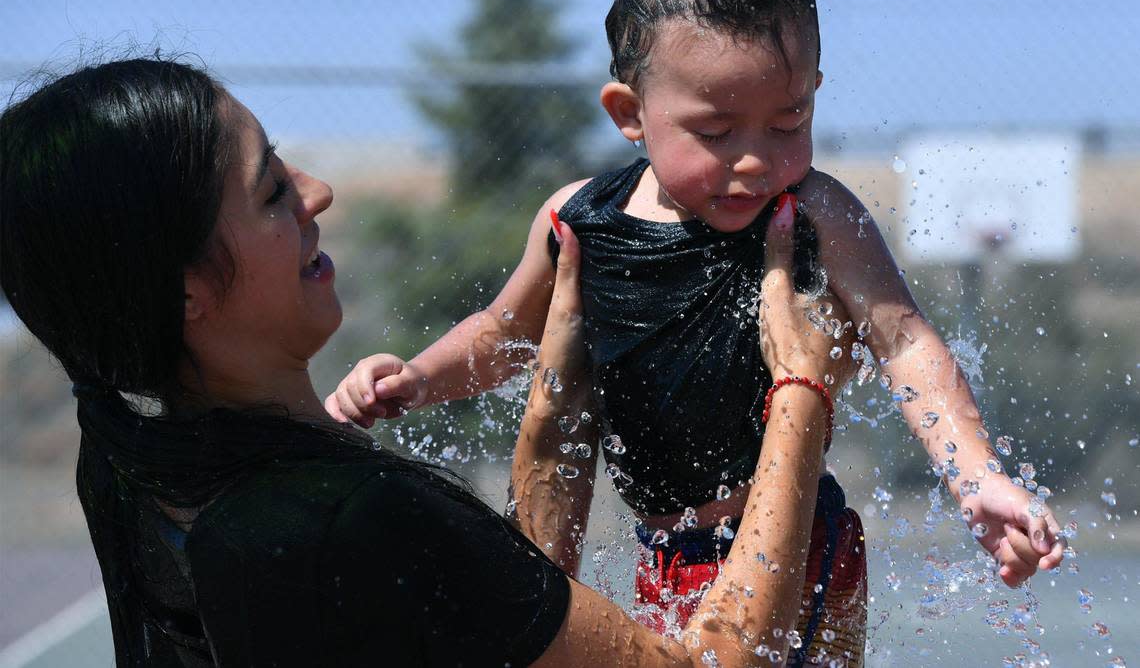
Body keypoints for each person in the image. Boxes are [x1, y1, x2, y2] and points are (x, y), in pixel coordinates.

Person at [328, 0, 1065, 657]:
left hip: (800, 546)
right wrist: (416, 378)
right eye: (716, 132)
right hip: (668, 552)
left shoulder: (815, 214)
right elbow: (504, 335)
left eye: (789, 121)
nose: (755, 161)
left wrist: (978, 478)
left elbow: (903, 340)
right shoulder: (578, 220)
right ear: (630, 114)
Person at [2, 56, 848, 666]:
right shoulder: (333, 519)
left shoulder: (146, 481)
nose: (316, 194)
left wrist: (563, 393)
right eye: (270, 192)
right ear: (186, 290)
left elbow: (491, 625)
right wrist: (798, 391)